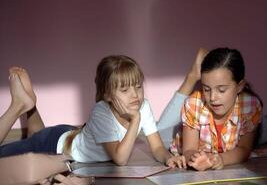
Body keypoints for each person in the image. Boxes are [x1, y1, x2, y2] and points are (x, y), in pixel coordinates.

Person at [0, 55, 183, 182]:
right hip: (54, 144)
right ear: (108, 95)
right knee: (33, 141)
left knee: (36, 135)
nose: (135, 95)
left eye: (138, 87)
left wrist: (168, 158)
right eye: (125, 90)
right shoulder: (102, 112)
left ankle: (30, 105)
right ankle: (20, 106)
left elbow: (157, 147)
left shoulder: (143, 106)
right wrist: (136, 120)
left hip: (70, 134)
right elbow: (120, 159)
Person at [158, 48, 267, 171]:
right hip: (191, 126)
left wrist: (220, 159)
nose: (213, 98)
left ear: (239, 86)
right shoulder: (194, 104)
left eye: (221, 90)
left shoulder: (250, 106)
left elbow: (244, 150)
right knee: (157, 136)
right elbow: (189, 150)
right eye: (206, 89)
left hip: (245, 118)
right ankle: (193, 75)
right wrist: (196, 159)